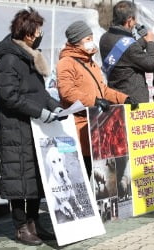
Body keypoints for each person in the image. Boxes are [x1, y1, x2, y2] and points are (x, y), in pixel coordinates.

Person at [0, 8, 60, 246]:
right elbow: (10, 97)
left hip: (34, 128)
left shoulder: (30, 58)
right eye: (38, 29)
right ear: (29, 33)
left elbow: (40, 93)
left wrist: (55, 107)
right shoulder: (9, 61)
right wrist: (39, 111)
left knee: (35, 179)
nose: (41, 33)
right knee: (19, 181)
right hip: (17, 129)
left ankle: (35, 223)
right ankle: (21, 227)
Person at [56, 20, 135, 177]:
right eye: (87, 39)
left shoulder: (91, 63)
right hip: (79, 127)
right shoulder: (66, 62)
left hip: (96, 126)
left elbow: (103, 90)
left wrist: (123, 98)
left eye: (91, 38)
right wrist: (94, 101)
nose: (91, 42)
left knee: (97, 173)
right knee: (82, 173)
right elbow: (67, 91)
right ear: (76, 42)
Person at [99, 0, 154, 103]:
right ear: (129, 19)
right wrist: (150, 43)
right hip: (133, 100)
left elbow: (126, 53)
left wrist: (143, 41)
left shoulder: (104, 38)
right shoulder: (130, 47)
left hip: (115, 96)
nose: (135, 23)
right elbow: (152, 65)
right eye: (134, 20)